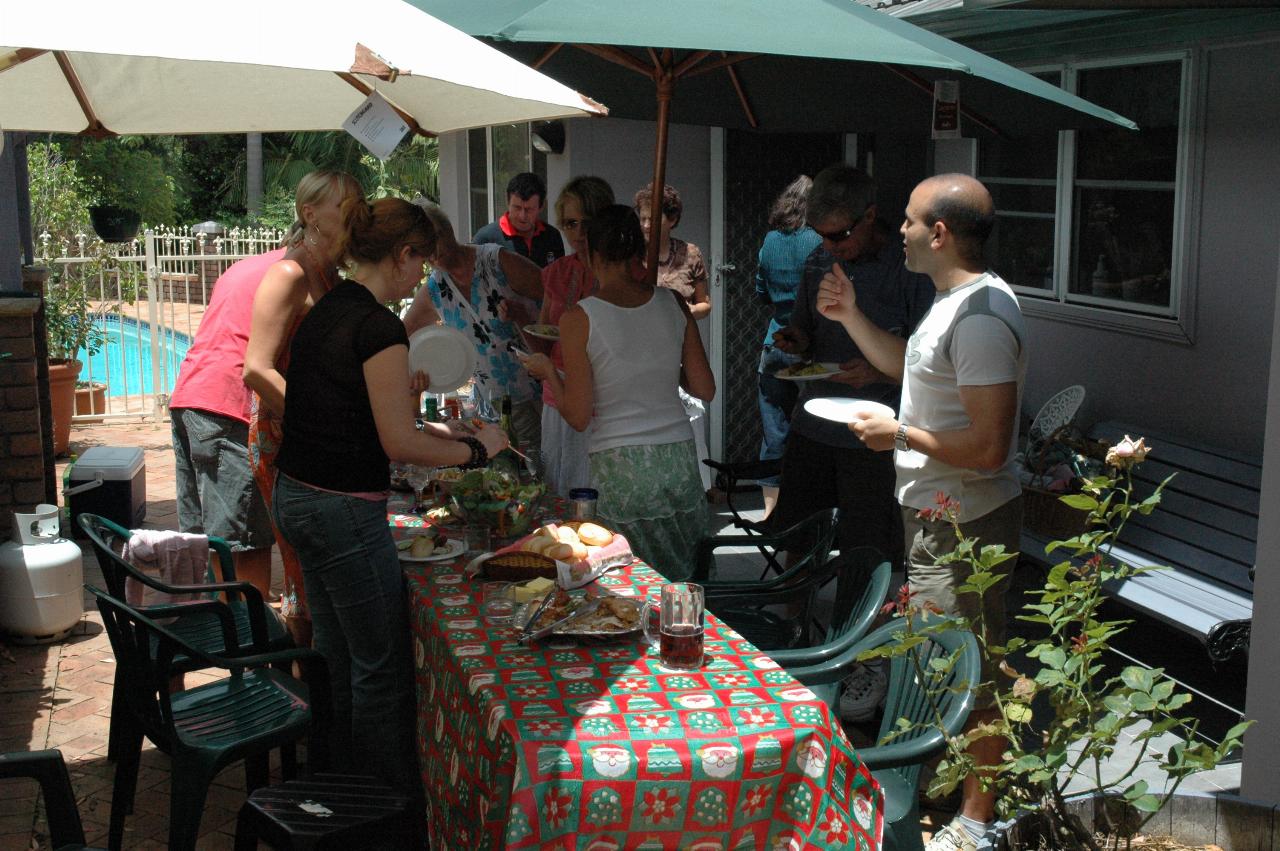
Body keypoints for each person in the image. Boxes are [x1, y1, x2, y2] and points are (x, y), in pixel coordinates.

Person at [270, 197, 508, 805]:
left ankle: (338, 786)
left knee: (338, 654)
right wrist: (480, 451)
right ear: (403, 255)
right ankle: (384, 807)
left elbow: (354, 409)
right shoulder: (377, 324)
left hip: (297, 497)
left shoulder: (330, 308)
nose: (423, 276)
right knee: (381, 669)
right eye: (422, 261)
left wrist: (443, 434)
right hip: (343, 509)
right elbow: (397, 441)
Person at [822, 174, 1026, 851]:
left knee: (972, 667)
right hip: (935, 516)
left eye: (909, 221)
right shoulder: (950, 304)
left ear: (939, 233)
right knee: (936, 658)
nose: (899, 231)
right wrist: (851, 314)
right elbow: (913, 379)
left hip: (965, 522)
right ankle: (938, 790)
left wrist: (901, 436)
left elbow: (991, 447)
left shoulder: (983, 319)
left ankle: (976, 823)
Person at [767, 164, 934, 723]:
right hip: (815, 421)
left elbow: (924, 358)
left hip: (875, 429)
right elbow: (805, 333)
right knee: (797, 529)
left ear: (870, 218)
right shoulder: (820, 259)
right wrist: (796, 340)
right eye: (822, 235)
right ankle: (791, 637)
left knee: (867, 546)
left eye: (840, 234)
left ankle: (858, 654)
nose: (830, 246)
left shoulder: (909, 269)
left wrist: (878, 371)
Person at [522, 205, 715, 575]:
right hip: (677, 459)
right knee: (685, 574)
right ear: (638, 252)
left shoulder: (578, 317)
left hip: (621, 465)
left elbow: (578, 416)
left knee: (632, 581)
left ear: (591, 254)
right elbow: (704, 388)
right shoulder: (672, 302)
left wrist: (548, 370)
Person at [242, 170, 364, 646]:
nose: (356, 214)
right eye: (346, 206)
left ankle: (320, 685)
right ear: (310, 214)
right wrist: (321, 420)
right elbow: (256, 369)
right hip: (284, 436)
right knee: (300, 570)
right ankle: (305, 693)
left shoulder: (331, 273)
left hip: (317, 436)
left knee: (319, 564)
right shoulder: (290, 273)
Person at [170, 249, 283, 598]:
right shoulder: (293, 274)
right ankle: (247, 644)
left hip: (190, 397)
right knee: (240, 543)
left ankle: (223, 633)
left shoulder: (248, 266)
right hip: (228, 407)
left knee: (207, 539)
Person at [402, 201, 544, 449]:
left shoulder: (496, 261)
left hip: (535, 392)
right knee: (500, 477)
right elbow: (400, 335)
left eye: (434, 239)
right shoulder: (436, 289)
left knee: (538, 469)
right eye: (423, 248)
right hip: (488, 403)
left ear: (448, 231)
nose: (432, 252)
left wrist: (523, 316)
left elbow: (555, 298)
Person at [532, 175, 616, 497]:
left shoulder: (624, 272)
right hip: (558, 394)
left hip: (605, 398)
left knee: (597, 492)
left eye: (587, 222)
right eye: (569, 224)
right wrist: (517, 324)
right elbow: (542, 335)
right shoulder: (557, 272)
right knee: (560, 485)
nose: (578, 233)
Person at [635, 183, 713, 490]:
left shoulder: (690, 253)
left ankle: (696, 489)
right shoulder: (632, 255)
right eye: (641, 218)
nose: (645, 225)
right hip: (643, 352)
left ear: (672, 219)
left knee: (691, 423)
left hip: (681, 348)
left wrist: (682, 313)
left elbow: (705, 304)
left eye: (651, 218)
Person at [754, 175, 822, 518]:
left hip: (775, 343)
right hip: (812, 348)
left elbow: (761, 291)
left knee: (774, 429)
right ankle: (807, 509)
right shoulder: (819, 243)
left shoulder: (769, 241)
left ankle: (770, 511)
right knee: (812, 430)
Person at [473, 171, 565, 268]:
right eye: (517, 207)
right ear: (507, 202)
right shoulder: (486, 239)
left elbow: (561, 279)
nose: (522, 216)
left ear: (541, 207)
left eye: (529, 209)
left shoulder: (552, 236)